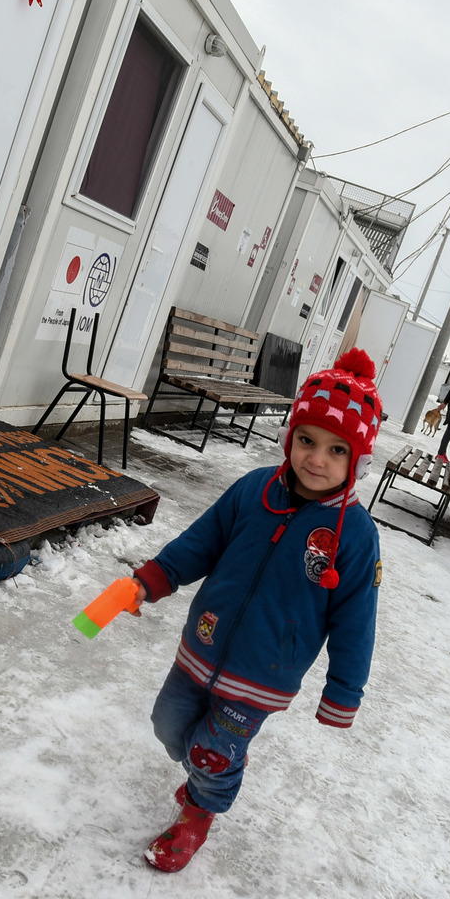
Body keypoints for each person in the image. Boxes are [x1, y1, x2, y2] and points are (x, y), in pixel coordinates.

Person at [125, 349, 384, 872]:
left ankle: (198, 812)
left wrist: (343, 692)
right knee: (168, 725)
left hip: (265, 674)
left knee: (213, 752)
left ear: (356, 461)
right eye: (307, 441)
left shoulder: (356, 534)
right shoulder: (254, 489)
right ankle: (203, 774)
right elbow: (201, 542)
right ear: (290, 436)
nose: (317, 459)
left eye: (337, 450)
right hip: (203, 643)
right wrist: (156, 577)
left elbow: (356, 620)